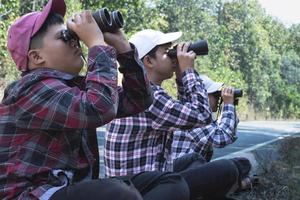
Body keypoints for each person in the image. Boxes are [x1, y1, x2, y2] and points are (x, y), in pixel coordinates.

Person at [0, 1, 191, 200]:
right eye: (64, 37)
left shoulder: (72, 87)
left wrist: (123, 48)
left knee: (169, 182)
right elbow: (100, 107)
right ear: (37, 57)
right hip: (32, 195)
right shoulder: (32, 89)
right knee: (118, 193)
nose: (75, 41)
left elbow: (139, 100)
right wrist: (96, 44)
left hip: (69, 188)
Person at [104, 29, 252, 199]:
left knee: (193, 160)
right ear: (149, 61)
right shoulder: (151, 99)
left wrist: (181, 77)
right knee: (228, 169)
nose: (175, 56)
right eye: (168, 52)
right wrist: (188, 71)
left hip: (144, 182)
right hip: (138, 190)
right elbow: (202, 116)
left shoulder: (146, 93)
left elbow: (188, 117)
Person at [172, 75, 239, 162]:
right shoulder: (192, 118)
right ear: (201, 97)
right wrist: (228, 104)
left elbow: (229, 131)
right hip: (179, 173)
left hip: (186, 169)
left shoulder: (190, 112)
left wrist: (230, 104)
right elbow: (223, 137)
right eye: (215, 95)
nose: (218, 99)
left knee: (240, 163)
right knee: (232, 165)